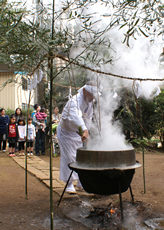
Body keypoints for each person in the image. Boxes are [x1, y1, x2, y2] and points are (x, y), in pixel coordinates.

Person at [57, 81, 99, 194]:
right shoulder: (74, 101)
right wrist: (84, 129)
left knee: (80, 157)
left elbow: (88, 118)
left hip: (78, 133)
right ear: (85, 91)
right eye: (91, 94)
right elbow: (74, 116)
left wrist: (87, 131)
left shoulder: (90, 102)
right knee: (69, 157)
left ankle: (81, 182)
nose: (92, 97)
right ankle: (69, 183)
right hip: (66, 132)